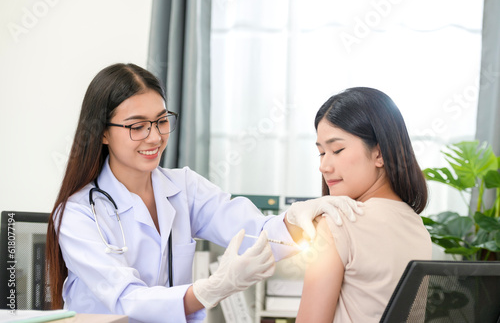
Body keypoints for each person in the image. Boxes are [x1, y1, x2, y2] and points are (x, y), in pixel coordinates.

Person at [45, 63, 363, 323]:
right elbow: (128, 300)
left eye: (161, 121)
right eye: (137, 126)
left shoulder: (183, 187)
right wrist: (212, 288)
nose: (154, 136)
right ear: (102, 132)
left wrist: (300, 217)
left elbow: (256, 233)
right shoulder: (77, 214)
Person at [294, 87, 432, 323]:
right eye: (321, 153)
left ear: (379, 154)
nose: (324, 166)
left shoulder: (338, 223)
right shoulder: (418, 227)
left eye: (337, 150)